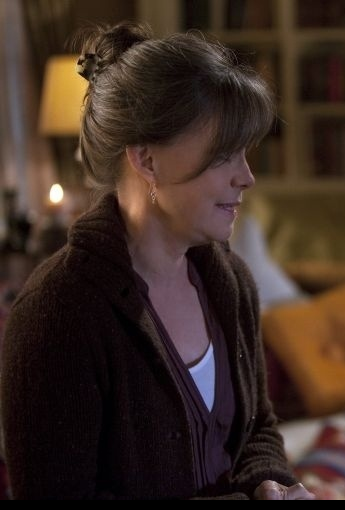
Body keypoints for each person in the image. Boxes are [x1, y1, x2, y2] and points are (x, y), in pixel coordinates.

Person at [0, 22, 313, 500]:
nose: (246, 177)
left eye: (245, 154)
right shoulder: (58, 312)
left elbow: (258, 429)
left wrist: (271, 484)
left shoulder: (231, 281)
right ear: (147, 161)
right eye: (224, 155)